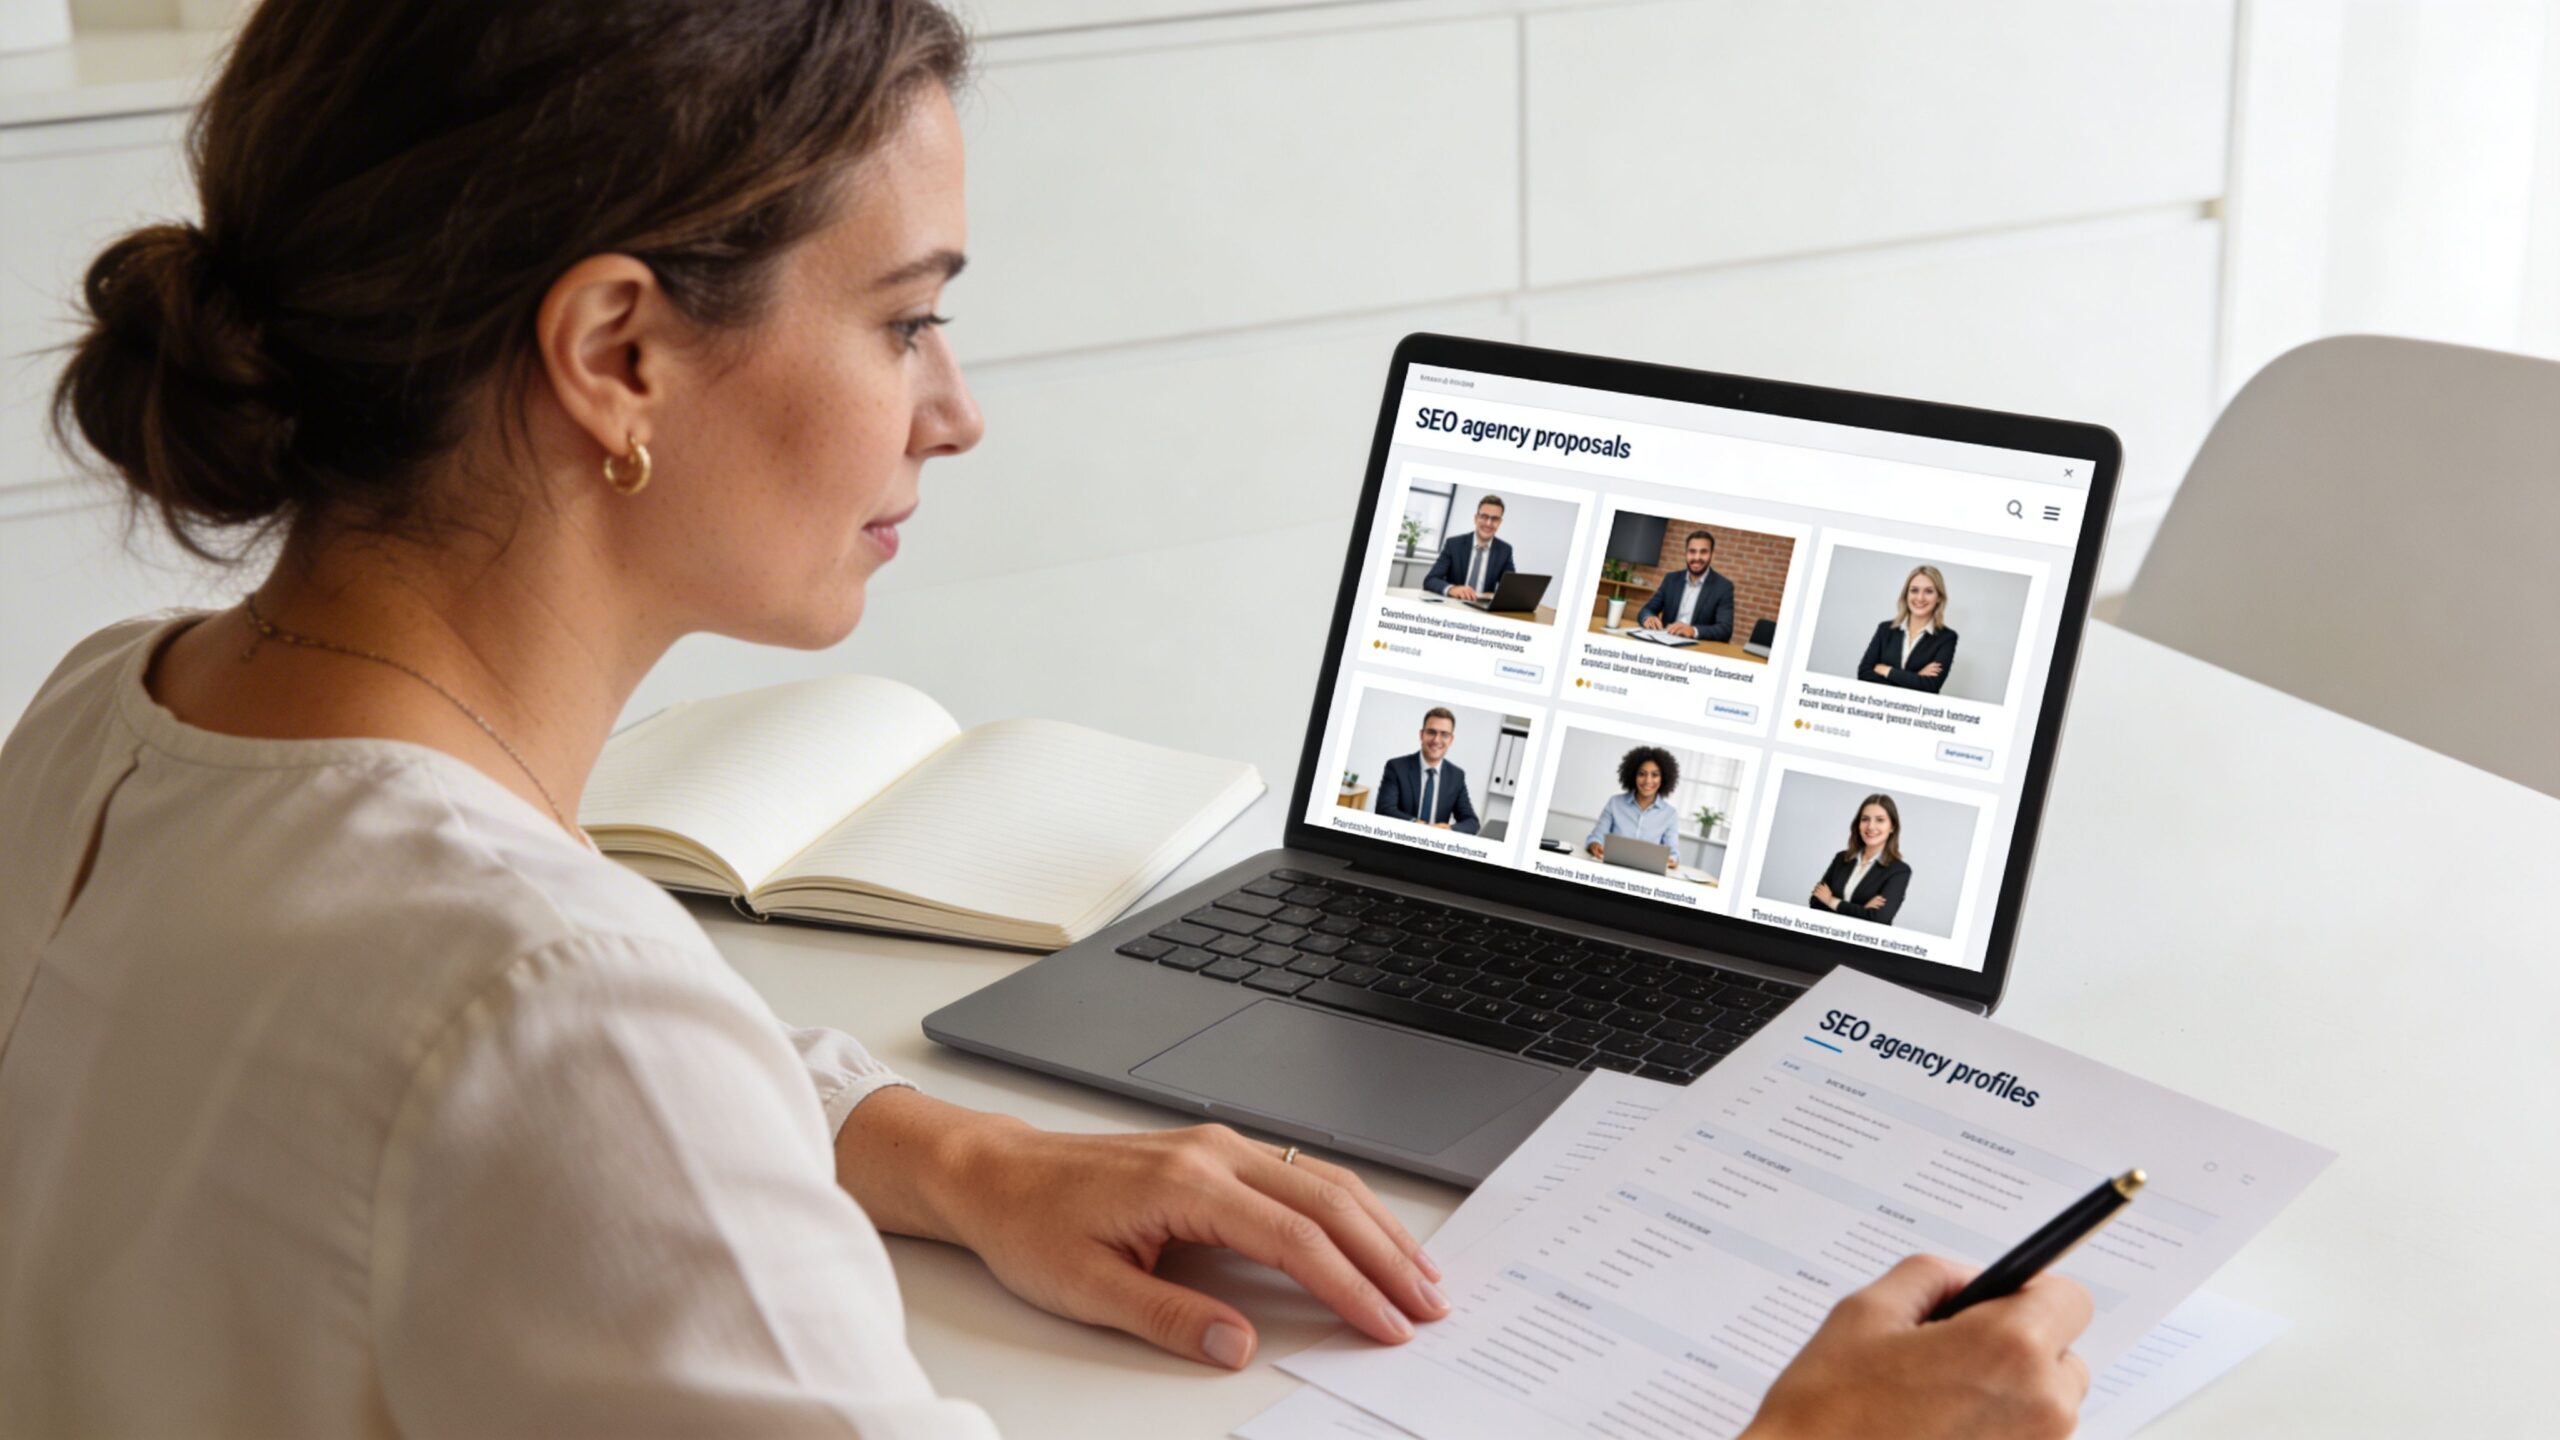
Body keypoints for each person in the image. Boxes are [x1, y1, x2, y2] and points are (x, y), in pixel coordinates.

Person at [0, 3, 2092, 1436]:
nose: (953, 407)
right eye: (906, 315)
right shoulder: (549, 1005)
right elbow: (551, 1075)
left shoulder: (112, 729)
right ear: (617, 349)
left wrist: (947, 1142)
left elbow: (481, 1122)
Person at [1372, 706, 1480, 834]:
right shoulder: (1396, 767)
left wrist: (1450, 829)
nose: (1436, 740)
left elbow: (1472, 822)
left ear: (1451, 740)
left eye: (1444, 734)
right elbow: (1384, 809)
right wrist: (1416, 825)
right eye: (1431, 732)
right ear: (1422, 734)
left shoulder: (1456, 776)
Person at [1811, 794, 1913, 926]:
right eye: (1865, 819)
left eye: (1880, 820)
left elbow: (1878, 919)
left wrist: (1831, 901)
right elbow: (1816, 902)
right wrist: (1863, 910)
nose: (1870, 826)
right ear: (1858, 824)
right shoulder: (1841, 858)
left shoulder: (1899, 871)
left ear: (1892, 827)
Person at [1856, 563, 1960, 693]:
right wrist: (1916, 678)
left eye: (1928, 591)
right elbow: (1864, 674)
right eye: (1914, 590)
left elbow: (1930, 686)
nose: (1920, 598)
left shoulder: (1947, 637)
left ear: (1939, 597)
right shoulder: (1885, 629)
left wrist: (1887, 671)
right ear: (1906, 594)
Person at [1585, 743, 1682, 865]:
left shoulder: (1670, 814)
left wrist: (1672, 860)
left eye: (1655, 775)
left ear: (1663, 778)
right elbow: (1596, 837)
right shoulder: (1615, 803)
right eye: (1642, 774)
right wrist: (1594, 845)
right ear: (1633, 776)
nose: (1648, 781)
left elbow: (1673, 853)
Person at [1637, 527, 1735, 641]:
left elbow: (1725, 629)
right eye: (1692, 551)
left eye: (1703, 552)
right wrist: (1648, 618)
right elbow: (1647, 609)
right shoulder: (1671, 579)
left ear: (1712, 554)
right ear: (1686, 553)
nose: (1697, 557)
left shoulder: (1723, 587)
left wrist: (1693, 631)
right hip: (1665, 641)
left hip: (1697, 648)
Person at [1419, 494, 1514, 601]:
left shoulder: (1505, 550)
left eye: (1495, 519)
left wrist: (1493, 595)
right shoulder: (1453, 544)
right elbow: (1430, 580)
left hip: (1483, 608)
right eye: (1484, 516)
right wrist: (1452, 589)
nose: (1488, 523)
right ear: (1476, 518)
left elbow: (1511, 589)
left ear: (1500, 523)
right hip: (1454, 604)